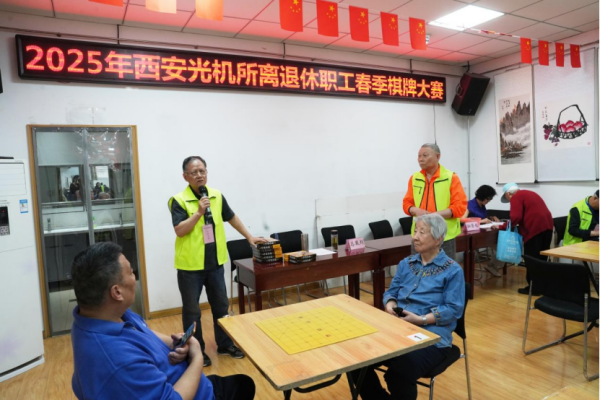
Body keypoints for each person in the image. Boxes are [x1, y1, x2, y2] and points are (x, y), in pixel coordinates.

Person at [70, 242, 256, 400]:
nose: (135, 278)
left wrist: (177, 343)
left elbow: (145, 333)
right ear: (117, 292)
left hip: (188, 380)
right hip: (194, 391)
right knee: (243, 387)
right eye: (131, 273)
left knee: (244, 383)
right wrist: (197, 358)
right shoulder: (118, 361)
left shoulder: (102, 315)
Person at [353, 214, 465, 400]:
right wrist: (390, 305)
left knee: (399, 374)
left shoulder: (452, 270)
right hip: (399, 328)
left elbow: (454, 309)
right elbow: (391, 292)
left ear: (438, 239)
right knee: (356, 361)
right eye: (415, 231)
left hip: (432, 337)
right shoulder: (406, 264)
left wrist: (421, 319)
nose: (415, 237)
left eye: (422, 232)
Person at [169, 156, 266, 367]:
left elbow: (231, 217)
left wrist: (249, 237)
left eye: (202, 171)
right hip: (190, 267)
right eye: (194, 172)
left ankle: (225, 344)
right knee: (192, 312)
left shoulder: (216, 195)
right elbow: (180, 230)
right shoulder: (178, 200)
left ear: (207, 172)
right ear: (185, 176)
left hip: (215, 264)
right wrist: (199, 212)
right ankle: (195, 351)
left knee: (221, 307)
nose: (199, 175)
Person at [403, 143, 468, 260]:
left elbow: (459, 207)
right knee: (417, 269)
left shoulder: (450, 177)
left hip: (443, 237)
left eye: (425, 155)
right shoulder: (415, 178)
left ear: (437, 157)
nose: (420, 159)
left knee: (444, 270)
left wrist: (434, 216)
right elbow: (406, 204)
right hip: (419, 236)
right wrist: (415, 210)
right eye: (419, 156)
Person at [501, 183, 553, 294]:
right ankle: (543, 286)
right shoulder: (530, 193)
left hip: (534, 229)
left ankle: (534, 288)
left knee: (532, 259)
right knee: (542, 258)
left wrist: (502, 226)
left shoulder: (516, 197)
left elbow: (516, 217)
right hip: (548, 226)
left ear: (508, 194)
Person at [463, 185, 502, 277]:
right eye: (489, 199)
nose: (489, 201)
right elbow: (462, 220)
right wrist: (480, 221)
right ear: (483, 197)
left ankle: (492, 266)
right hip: (474, 236)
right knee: (499, 248)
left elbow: (483, 217)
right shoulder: (469, 205)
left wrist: (491, 217)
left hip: (484, 234)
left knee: (502, 248)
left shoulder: (482, 205)